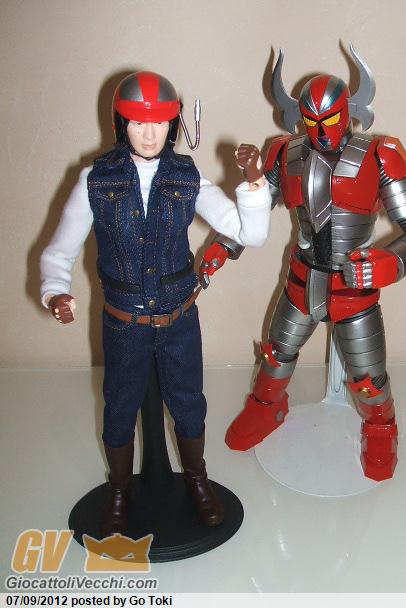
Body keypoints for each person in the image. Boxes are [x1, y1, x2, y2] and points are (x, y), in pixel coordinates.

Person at [40, 71, 271, 533]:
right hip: (123, 323)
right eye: (138, 122)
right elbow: (60, 251)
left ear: (173, 125)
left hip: (178, 319)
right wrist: (55, 290)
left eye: (160, 123)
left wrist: (254, 183)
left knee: (189, 404)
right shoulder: (95, 181)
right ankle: (119, 490)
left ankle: (197, 480)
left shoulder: (187, 177)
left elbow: (251, 233)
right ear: (120, 123)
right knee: (119, 408)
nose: (149, 134)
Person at [219, 47, 406, 481]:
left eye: (331, 119)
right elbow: (252, 215)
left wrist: (391, 262)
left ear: (348, 113)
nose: (321, 131)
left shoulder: (379, 155)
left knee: (368, 377)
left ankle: (381, 426)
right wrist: (223, 247)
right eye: (312, 121)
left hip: (354, 287)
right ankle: (267, 406)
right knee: (277, 354)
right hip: (302, 280)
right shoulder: (285, 154)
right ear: (300, 117)